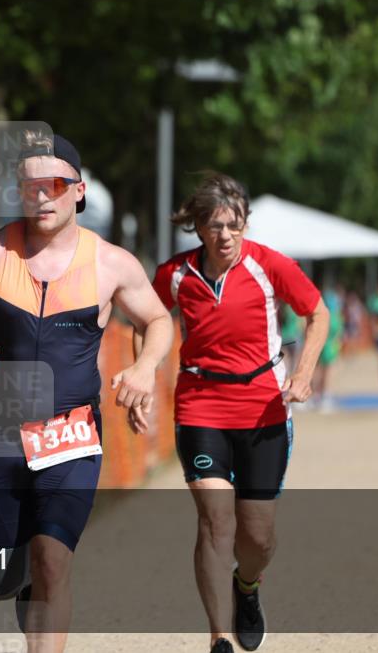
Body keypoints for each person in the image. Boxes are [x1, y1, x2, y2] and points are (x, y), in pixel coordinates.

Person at [0, 131, 173, 652]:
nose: (41, 195)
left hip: (72, 434)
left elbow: (157, 319)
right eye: (30, 186)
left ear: (79, 191)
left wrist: (144, 367)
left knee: (52, 558)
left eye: (54, 184)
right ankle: (23, 586)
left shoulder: (112, 263)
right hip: (2, 433)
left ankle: (40, 593)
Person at [133, 173, 329, 653]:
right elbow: (148, 320)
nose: (226, 236)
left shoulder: (269, 265)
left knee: (257, 536)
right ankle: (219, 636)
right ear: (198, 227)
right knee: (214, 521)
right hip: (201, 407)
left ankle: (248, 587)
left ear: (245, 225)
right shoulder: (175, 275)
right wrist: (141, 377)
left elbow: (317, 311)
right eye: (216, 226)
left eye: (235, 225)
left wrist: (302, 374)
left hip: (263, 408)